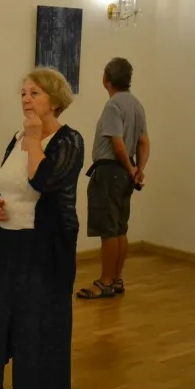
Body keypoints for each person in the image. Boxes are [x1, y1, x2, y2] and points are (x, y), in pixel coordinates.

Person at [0, 67, 84, 389]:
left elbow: (44, 181)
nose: (26, 100)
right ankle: (22, 384)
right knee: (15, 315)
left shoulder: (68, 140)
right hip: (11, 241)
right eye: (24, 94)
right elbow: (2, 182)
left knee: (42, 318)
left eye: (35, 93)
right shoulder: (17, 137)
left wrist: (33, 140)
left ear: (54, 101)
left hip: (46, 246)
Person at [77, 58, 150, 299]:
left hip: (110, 172)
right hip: (125, 174)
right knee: (119, 228)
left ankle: (105, 282)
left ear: (106, 79)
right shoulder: (136, 104)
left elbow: (117, 144)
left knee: (109, 230)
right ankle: (117, 279)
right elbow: (143, 142)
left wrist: (130, 168)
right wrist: (138, 169)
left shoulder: (113, 106)